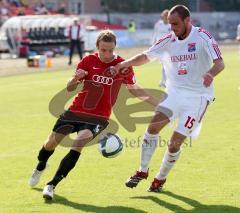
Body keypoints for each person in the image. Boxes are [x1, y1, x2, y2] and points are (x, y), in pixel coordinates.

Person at [28, 30, 159, 200]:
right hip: (75, 110)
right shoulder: (88, 60)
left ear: (115, 48)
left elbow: (135, 89)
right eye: (103, 50)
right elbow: (69, 88)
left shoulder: (122, 65)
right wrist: (75, 79)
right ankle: (40, 166)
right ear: (97, 47)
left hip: (99, 117)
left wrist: (159, 104)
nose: (107, 54)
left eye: (110, 50)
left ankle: (51, 185)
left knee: (79, 142)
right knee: (51, 143)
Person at [115, 5, 225, 192]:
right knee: (153, 127)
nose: (172, 28)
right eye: (169, 24)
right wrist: (124, 64)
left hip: (198, 97)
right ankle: (142, 170)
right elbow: (146, 56)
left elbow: (220, 63)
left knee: (174, 144)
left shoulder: (203, 36)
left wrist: (211, 74)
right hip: (174, 93)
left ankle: (160, 179)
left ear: (187, 21)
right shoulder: (168, 39)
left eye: (175, 24)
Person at [151, 9, 171, 88]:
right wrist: (153, 45)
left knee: (167, 64)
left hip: (169, 47)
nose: (166, 17)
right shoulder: (158, 24)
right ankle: (163, 81)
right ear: (162, 16)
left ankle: (164, 81)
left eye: (167, 15)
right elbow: (154, 35)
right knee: (164, 64)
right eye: (164, 15)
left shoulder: (171, 25)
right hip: (160, 47)